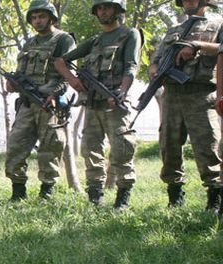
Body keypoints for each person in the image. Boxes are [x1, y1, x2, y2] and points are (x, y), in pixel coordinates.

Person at [54, 0, 141, 211]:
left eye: (107, 7)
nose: (103, 12)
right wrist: (73, 82)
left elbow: (131, 66)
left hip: (115, 101)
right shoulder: (94, 41)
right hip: (93, 103)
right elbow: (60, 61)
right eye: (100, 8)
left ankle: (122, 199)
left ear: (118, 10)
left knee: (122, 149)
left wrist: (122, 91)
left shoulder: (130, 34)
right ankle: (95, 198)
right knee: (90, 151)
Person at [154, 0, 223, 211]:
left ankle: (215, 198)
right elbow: (156, 56)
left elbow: (221, 48)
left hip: (201, 94)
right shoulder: (175, 29)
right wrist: (154, 68)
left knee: (208, 146)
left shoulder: (218, 23)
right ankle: (175, 197)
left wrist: (197, 46)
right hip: (172, 94)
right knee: (169, 145)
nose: (187, 2)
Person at [5, 0, 76, 201]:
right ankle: (18, 192)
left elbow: (67, 74)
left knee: (50, 148)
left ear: (51, 18)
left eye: (41, 17)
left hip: (49, 104)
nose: (37, 21)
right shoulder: (29, 43)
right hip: (27, 103)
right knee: (15, 146)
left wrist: (53, 94)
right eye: (34, 18)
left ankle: (47, 192)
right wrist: (12, 83)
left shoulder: (63, 40)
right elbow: (20, 73)